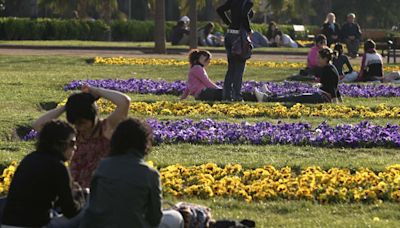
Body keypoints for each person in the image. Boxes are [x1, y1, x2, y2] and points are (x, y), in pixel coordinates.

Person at [80, 118, 184, 228]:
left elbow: (92, 206)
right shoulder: (150, 174)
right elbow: (155, 217)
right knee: (176, 217)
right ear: (145, 143)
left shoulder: (103, 166)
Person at [32, 86, 131, 188]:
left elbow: (124, 102)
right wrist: (68, 106)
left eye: (83, 123)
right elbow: (38, 125)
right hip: (76, 190)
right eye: (75, 123)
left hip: (102, 190)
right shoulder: (72, 133)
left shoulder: (107, 127)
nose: (80, 127)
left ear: (93, 117)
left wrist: (97, 92)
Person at [2, 120, 84, 227]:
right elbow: (70, 211)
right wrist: (80, 197)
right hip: (36, 225)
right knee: (87, 209)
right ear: (58, 143)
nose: (75, 148)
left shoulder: (29, 159)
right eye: (72, 143)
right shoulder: (59, 166)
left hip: (7, 224)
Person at [255, 47, 341, 103]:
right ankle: (270, 94)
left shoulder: (328, 70)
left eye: (319, 58)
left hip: (322, 98)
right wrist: (340, 100)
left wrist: (335, 104)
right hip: (320, 95)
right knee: (295, 93)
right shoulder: (330, 68)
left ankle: (267, 99)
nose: (316, 60)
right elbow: (335, 87)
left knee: (295, 98)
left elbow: (332, 89)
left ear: (325, 59)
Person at [181, 49, 256, 102]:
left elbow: (188, 86)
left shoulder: (194, 68)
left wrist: (183, 98)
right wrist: (220, 89)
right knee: (229, 94)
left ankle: (254, 95)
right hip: (205, 93)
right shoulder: (197, 68)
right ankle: (253, 96)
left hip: (202, 95)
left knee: (229, 94)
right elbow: (207, 82)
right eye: (207, 60)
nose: (208, 62)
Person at [217, 0, 254, 101]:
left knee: (231, 68)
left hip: (229, 34)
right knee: (239, 69)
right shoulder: (248, 2)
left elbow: (220, 10)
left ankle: (226, 96)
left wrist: (229, 23)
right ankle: (237, 96)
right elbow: (244, 14)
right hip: (239, 36)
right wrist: (249, 29)